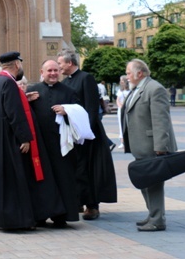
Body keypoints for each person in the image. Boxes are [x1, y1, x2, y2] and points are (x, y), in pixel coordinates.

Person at [0, 52, 64, 230]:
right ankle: (15, 221)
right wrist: (25, 138)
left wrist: (24, 100)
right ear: (17, 64)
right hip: (10, 141)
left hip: (0, 140)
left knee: (6, 180)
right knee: (15, 180)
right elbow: (14, 114)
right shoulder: (9, 83)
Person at [57, 49, 117, 221]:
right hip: (72, 133)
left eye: (60, 63)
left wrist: (85, 131)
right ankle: (78, 201)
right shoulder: (66, 81)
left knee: (89, 169)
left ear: (70, 63)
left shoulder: (86, 78)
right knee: (76, 169)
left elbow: (91, 107)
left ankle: (92, 205)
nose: (59, 67)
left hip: (87, 134)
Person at [123, 59, 177, 232]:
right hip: (141, 145)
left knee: (153, 184)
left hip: (152, 146)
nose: (127, 76)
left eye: (129, 72)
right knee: (145, 181)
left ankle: (157, 219)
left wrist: (160, 146)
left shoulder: (155, 89)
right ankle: (152, 215)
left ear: (140, 73)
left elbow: (161, 121)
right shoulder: (138, 89)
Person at [27, 60, 82, 227]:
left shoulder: (69, 91)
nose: (53, 73)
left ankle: (61, 216)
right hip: (40, 146)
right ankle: (40, 215)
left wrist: (68, 111)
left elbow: (81, 114)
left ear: (60, 72)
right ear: (41, 72)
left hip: (61, 147)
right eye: (49, 70)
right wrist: (26, 101)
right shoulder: (31, 91)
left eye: (56, 70)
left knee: (63, 179)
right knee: (40, 180)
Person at [115, 75, 130, 149]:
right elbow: (117, 100)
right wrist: (120, 106)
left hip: (127, 109)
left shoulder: (129, 90)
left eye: (122, 80)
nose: (121, 82)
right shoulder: (120, 90)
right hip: (120, 110)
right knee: (121, 125)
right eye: (120, 80)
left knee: (128, 124)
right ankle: (122, 142)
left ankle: (128, 141)